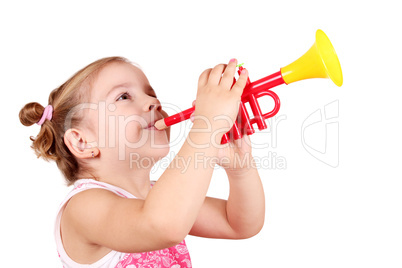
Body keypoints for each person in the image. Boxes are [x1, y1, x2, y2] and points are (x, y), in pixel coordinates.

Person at [19, 56, 265, 267]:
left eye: (151, 94)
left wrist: (240, 169)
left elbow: (238, 224)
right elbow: (162, 224)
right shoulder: (83, 207)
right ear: (83, 142)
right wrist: (207, 126)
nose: (154, 103)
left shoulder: (158, 196)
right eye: (124, 96)